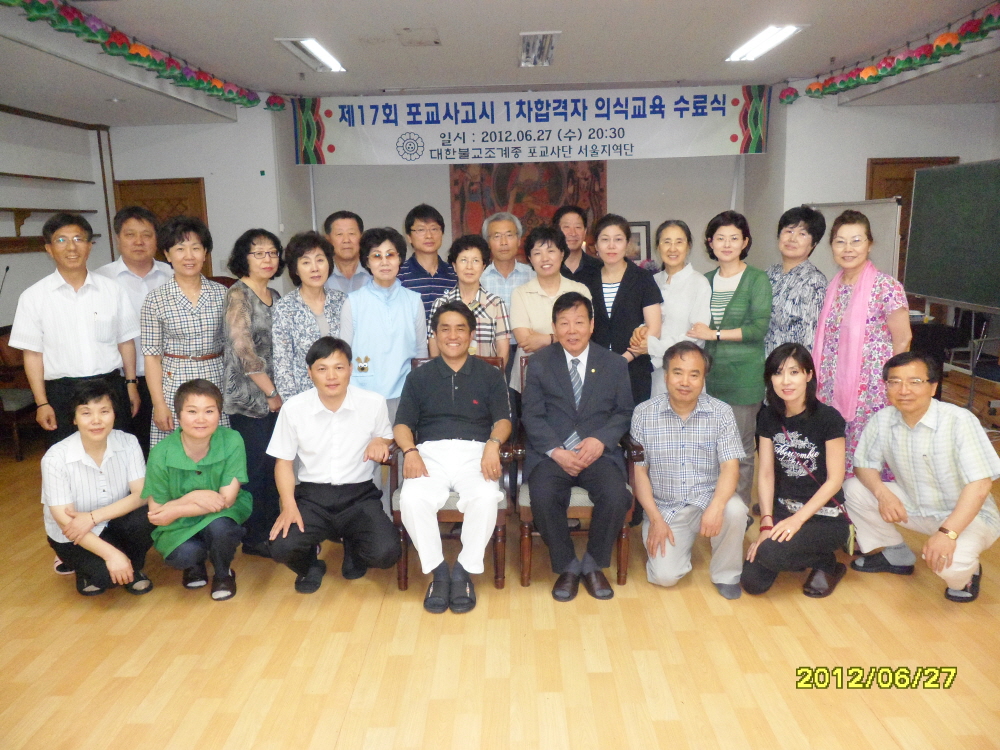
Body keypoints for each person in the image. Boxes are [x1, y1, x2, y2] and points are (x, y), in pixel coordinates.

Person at [845, 352, 1000, 603]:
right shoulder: (883, 419)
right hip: (916, 506)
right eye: (895, 382)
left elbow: (980, 486)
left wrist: (948, 533)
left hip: (968, 517)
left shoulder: (959, 421)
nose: (904, 390)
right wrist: (883, 494)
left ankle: (967, 574)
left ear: (933, 387)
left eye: (915, 382)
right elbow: (863, 465)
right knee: (853, 488)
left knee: (949, 567)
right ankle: (896, 554)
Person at [393, 301, 511, 614]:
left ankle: (463, 571)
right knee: (412, 499)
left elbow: (503, 420)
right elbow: (402, 424)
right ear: (435, 335)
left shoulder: (490, 375)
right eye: (445, 329)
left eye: (460, 328)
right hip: (430, 455)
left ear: (471, 335)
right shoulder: (419, 376)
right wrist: (410, 451)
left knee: (486, 496)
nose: (453, 335)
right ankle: (439, 572)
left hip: (477, 453)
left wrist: (493, 445)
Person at [521, 292, 634, 601]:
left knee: (616, 495)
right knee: (542, 494)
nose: (572, 330)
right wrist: (556, 451)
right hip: (553, 454)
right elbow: (531, 415)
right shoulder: (539, 363)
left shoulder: (613, 364)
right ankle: (568, 565)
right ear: (554, 327)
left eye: (579, 322)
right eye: (564, 323)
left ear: (592, 325)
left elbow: (624, 412)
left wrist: (601, 440)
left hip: (597, 453)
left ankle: (593, 563)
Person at [266, 337, 401, 593]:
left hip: (359, 496)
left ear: (350, 368)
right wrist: (289, 505)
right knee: (281, 547)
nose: (331, 376)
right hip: (312, 497)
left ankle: (354, 549)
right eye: (322, 369)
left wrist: (380, 441)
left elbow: (386, 435)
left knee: (386, 553)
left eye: (339, 367)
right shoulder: (294, 408)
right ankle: (310, 566)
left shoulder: (373, 402)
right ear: (310, 372)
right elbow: (283, 462)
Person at [630, 342, 748, 599]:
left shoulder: (721, 412)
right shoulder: (643, 414)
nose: (685, 382)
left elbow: (730, 467)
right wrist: (656, 519)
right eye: (678, 372)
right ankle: (680, 545)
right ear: (666, 375)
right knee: (664, 577)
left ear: (703, 379)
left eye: (694, 374)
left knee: (735, 510)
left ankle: (726, 574)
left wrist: (716, 507)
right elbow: (639, 473)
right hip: (666, 508)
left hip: (708, 499)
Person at [11, 212, 140, 445]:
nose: (71, 247)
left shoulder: (113, 291)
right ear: (49, 249)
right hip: (62, 393)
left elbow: (126, 342)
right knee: (67, 458)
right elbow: (32, 355)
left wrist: (131, 385)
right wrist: (42, 403)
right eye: (61, 240)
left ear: (89, 246)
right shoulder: (33, 297)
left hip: (110, 389)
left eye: (79, 239)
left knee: (118, 453)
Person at [741, 343, 850, 597]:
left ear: (809, 375)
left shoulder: (828, 418)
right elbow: (766, 473)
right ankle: (799, 554)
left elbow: (835, 480)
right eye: (778, 373)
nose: (785, 381)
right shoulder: (768, 417)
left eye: (794, 372)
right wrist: (766, 523)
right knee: (752, 583)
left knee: (771, 553)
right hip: (783, 512)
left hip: (824, 517)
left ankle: (828, 564)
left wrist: (798, 520)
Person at [814, 210, 911, 476]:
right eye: (840, 241)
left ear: (869, 244)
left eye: (856, 241)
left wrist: (893, 383)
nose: (848, 249)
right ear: (832, 246)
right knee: (834, 449)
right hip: (832, 386)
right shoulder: (832, 287)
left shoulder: (886, 287)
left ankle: (869, 498)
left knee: (869, 457)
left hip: (872, 390)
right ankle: (839, 495)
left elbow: (903, 339)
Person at [686, 210, 772, 507]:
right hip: (710, 379)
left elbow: (758, 329)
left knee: (741, 452)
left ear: (745, 242)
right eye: (720, 238)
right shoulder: (705, 280)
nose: (727, 244)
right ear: (710, 242)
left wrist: (715, 334)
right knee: (710, 449)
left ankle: (739, 512)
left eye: (734, 238)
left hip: (744, 379)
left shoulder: (757, 279)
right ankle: (713, 508)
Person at [41, 380, 153, 596]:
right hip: (74, 535)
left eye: (104, 411)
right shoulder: (55, 458)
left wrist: (93, 517)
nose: (96, 420)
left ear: (114, 414)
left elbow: (142, 495)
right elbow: (65, 520)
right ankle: (93, 569)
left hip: (113, 522)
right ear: (74, 418)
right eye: (86, 413)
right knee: (105, 579)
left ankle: (132, 567)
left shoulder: (128, 443)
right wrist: (112, 555)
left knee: (147, 515)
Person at [143, 379, 251, 601]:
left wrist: (176, 508)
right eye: (192, 411)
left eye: (209, 411)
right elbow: (157, 513)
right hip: (178, 524)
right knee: (184, 555)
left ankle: (223, 573)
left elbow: (226, 500)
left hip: (219, 514)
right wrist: (194, 497)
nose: (201, 419)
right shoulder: (160, 452)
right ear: (179, 416)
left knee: (221, 527)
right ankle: (195, 563)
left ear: (219, 414)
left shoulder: (232, 440)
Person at [222, 229, 284, 558]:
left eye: (272, 252)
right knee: (256, 469)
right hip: (249, 398)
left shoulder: (274, 293)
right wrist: (271, 391)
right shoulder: (238, 295)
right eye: (258, 253)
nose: (267, 259)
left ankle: (274, 529)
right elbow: (243, 348)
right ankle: (255, 537)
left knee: (275, 466)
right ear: (243, 258)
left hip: (277, 398)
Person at [141, 216, 228, 447]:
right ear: (167, 255)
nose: (189, 256)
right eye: (180, 249)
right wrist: (159, 404)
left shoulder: (223, 294)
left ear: (205, 253)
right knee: (177, 451)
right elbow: (152, 358)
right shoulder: (155, 300)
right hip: (174, 383)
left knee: (217, 448)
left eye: (196, 248)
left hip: (215, 379)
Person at [96, 206, 173, 454]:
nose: (139, 242)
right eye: (130, 235)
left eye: (146, 235)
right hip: (120, 379)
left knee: (168, 447)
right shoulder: (100, 280)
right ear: (117, 238)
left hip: (168, 377)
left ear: (156, 239)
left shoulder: (173, 275)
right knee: (127, 448)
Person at [349, 227, 428, 423]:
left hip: (405, 393)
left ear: (400, 259)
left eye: (390, 255)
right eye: (376, 256)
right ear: (367, 261)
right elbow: (344, 353)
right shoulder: (353, 302)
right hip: (362, 393)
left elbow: (421, 353)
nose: (384, 262)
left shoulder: (413, 300)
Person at [585, 213, 663, 405]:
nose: (611, 246)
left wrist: (623, 359)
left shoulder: (643, 279)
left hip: (634, 369)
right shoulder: (586, 280)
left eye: (618, 240)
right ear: (596, 246)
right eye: (605, 240)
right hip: (595, 369)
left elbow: (654, 329)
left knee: (633, 421)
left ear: (627, 244)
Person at [628, 219, 711, 398]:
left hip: (685, 374)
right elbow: (647, 320)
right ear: (658, 246)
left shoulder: (699, 283)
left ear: (688, 246)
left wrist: (653, 347)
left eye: (679, 242)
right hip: (654, 374)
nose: (672, 249)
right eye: (667, 242)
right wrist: (640, 332)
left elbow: (696, 337)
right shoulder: (652, 281)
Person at [509, 226, 592, 392]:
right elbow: (525, 341)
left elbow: (584, 333)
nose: (544, 258)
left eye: (551, 251)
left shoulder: (579, 290)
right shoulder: (520, 293)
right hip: (531, 377)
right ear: (530, 259)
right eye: (537, 253)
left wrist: (546, 339)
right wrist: (563, 337)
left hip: (573, 375)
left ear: (562, 253)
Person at [272, 231, 353, 401]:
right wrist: (293, 405)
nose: (315, 268)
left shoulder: (342, 301)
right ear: (295, 269)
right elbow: (282, 365)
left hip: (344, 396)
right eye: (306, 262)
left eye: (320, 260)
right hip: (304, 399)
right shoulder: (285, 308)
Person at [429, 235, 511, 367]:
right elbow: (434, 350)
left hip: (486, 377)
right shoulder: (440, 304)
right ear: (454, 266)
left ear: (483, 266)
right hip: (449, 377)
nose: (469, 267)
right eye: (463, 260)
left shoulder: (496, 304)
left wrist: (494, 377)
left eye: (475, 261)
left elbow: (503, 352)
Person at [763, 205, 828, 356]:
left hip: (790, 364)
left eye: (802, 234)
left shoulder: (814, 281)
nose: (792, 239)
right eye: (789, 231)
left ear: (814, 243)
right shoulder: (768, 274)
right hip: (761, 363)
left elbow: (810, 337)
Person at [397, 203, 457, 319]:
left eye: (434, 229)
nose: (429, 235)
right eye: (421, 230)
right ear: (409, 237)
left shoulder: (454, 274)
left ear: (442, 233)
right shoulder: (399, 276)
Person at [479, 212, 535, 313]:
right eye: (497, 236)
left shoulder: (533, 276)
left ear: (518, 240)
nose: (503, 242)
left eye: (509, 235)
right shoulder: (479, 279)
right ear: (488, 243)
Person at [323, 210, 371, 293]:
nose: (346, 240)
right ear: (328, 239)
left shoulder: (374, 271)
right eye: (339, 234)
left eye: (351, 233)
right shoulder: (319, 274)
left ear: (362, 237)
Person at [554, 205, 602, 284]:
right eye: (566, 227)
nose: (573, 233)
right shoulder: (549, 268)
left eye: (578, 227)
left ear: (585, 232)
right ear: (556, 231)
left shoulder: (599, 268)